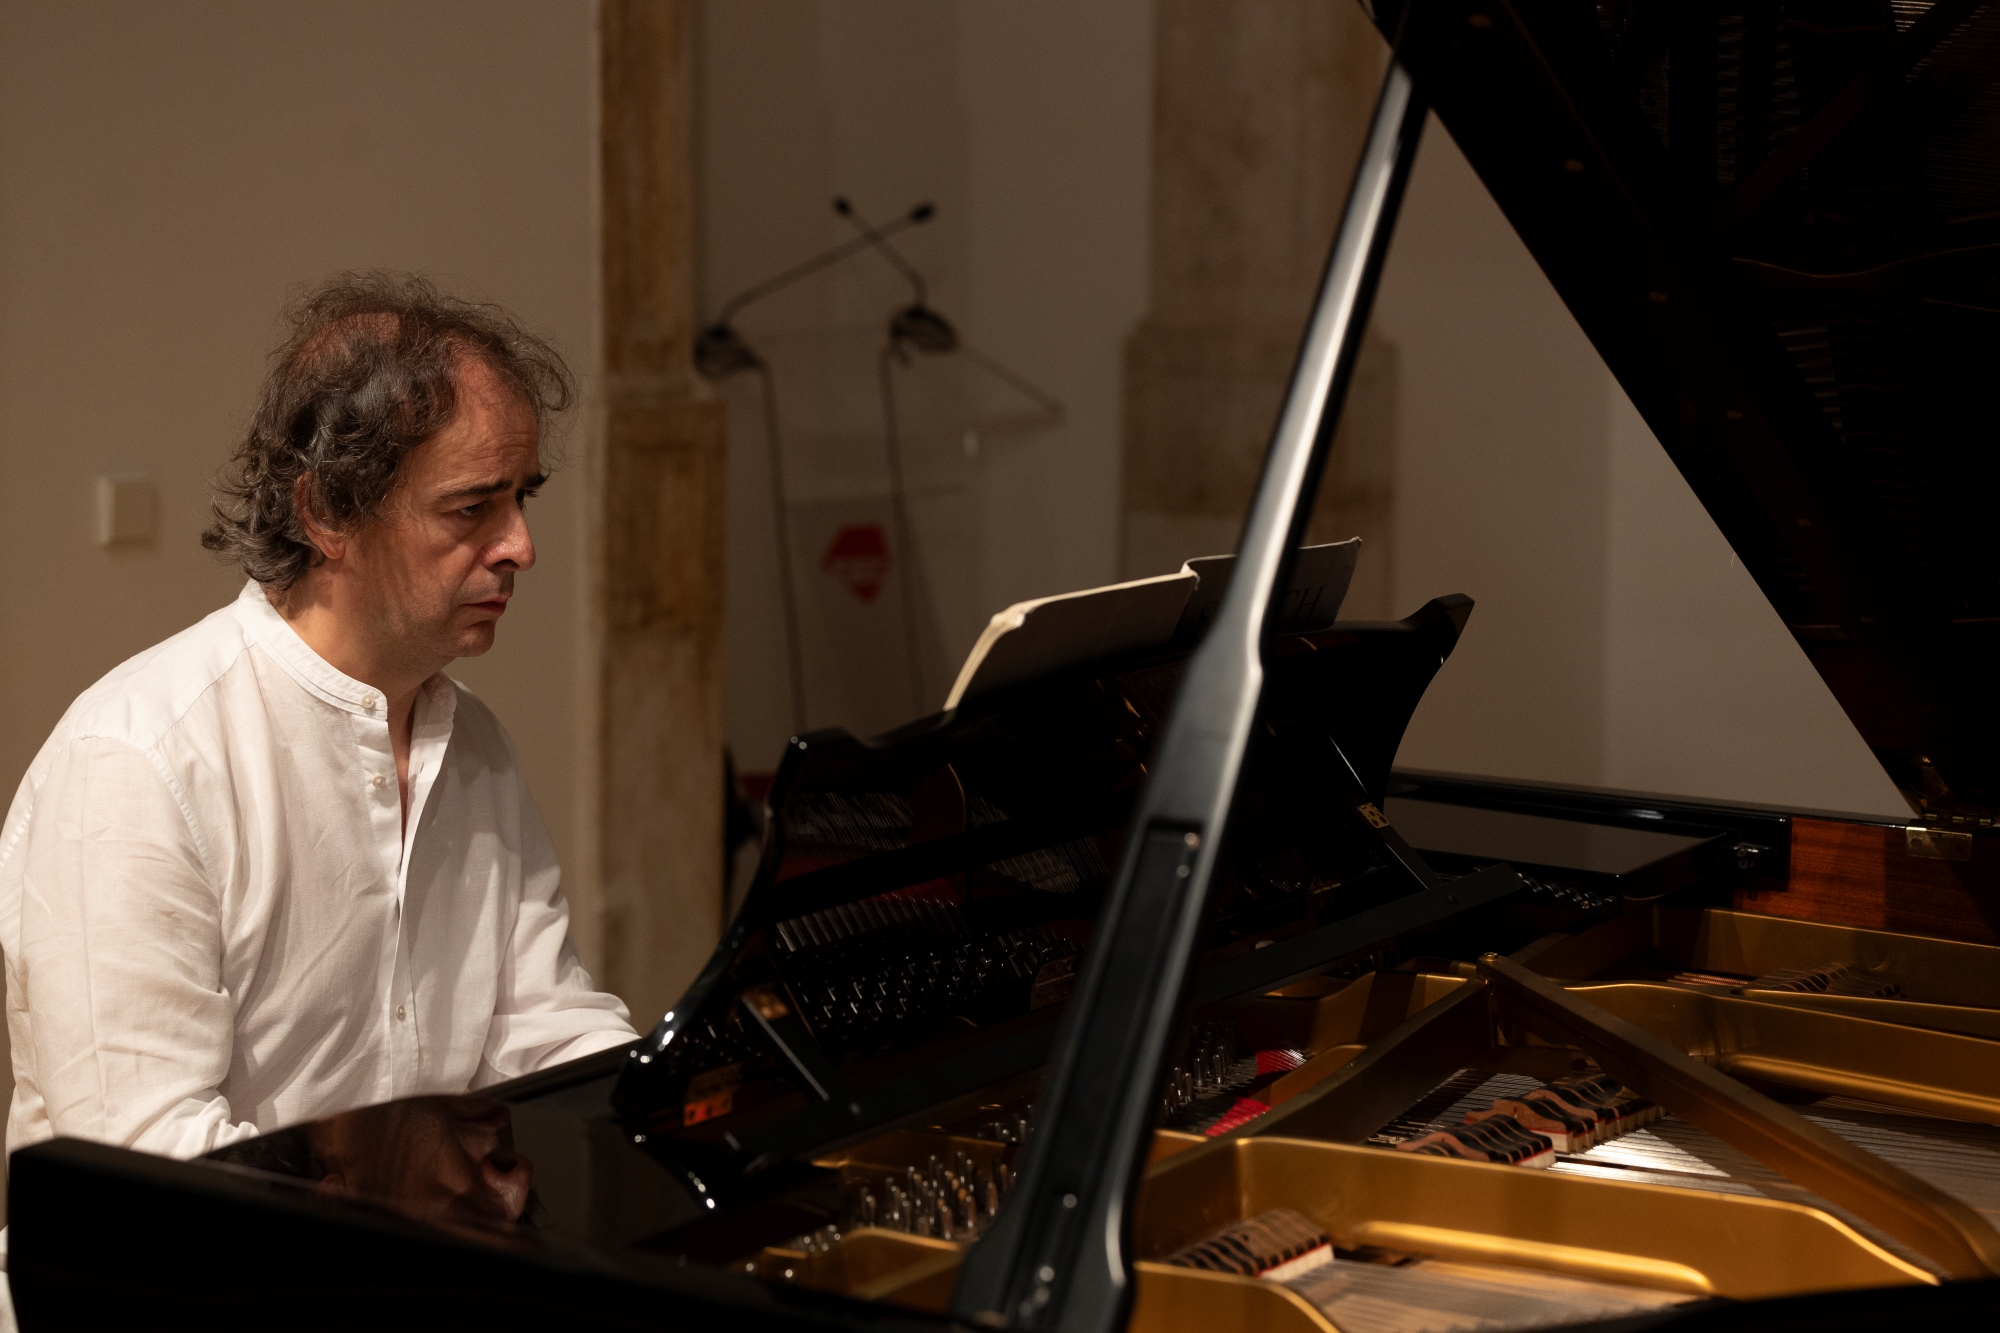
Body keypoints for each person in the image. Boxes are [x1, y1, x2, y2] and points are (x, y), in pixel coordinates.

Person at [0, 272, 636, 1162]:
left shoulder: (475, 746)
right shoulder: (138, 762)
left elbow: (544, 1032)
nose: (521, 546)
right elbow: (148, 1160)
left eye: (521, 498)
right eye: (472, 507)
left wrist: (683, 1107)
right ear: (328, 511)